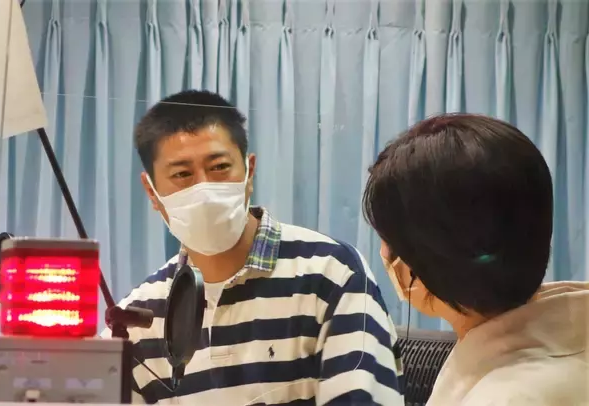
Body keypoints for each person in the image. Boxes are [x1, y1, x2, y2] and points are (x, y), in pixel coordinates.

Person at [102, 90, 403, 405]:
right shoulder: (140, 318)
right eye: (182, 174)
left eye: (219, 167)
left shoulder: (332, 275)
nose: (205, 188)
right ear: (151, 192)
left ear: (249, 171)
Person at [363, 113, 589, 406]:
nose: (383, 252)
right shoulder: (566, 339)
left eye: (388, 239)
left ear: (420, 264)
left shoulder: (508, 396)